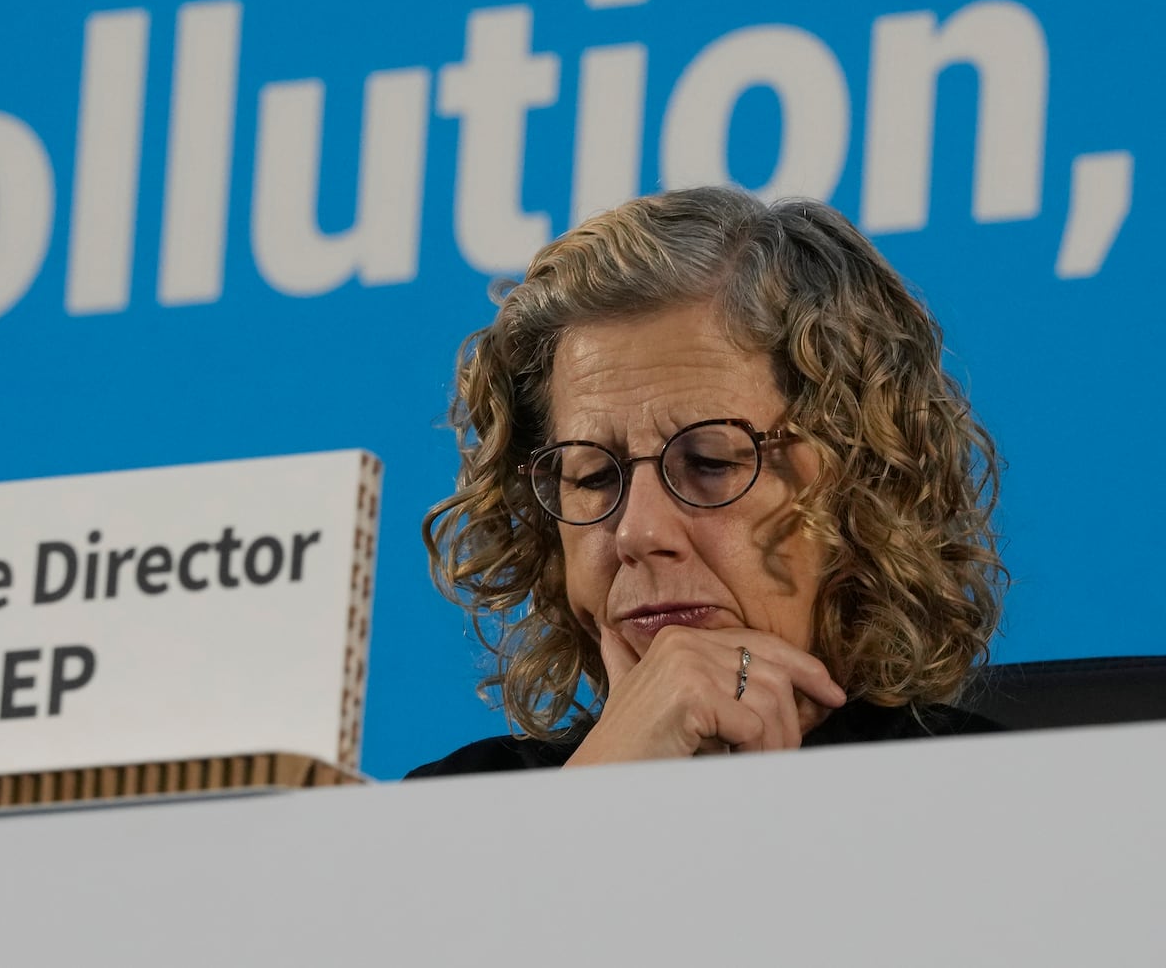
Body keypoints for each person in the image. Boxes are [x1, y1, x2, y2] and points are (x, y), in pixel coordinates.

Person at [407, 186, 1007, 777]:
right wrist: (601, 787)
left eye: (710, 464)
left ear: (860, 484)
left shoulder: (1010, 801)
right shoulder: (442, 821)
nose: (637, 532)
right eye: (592, 476)